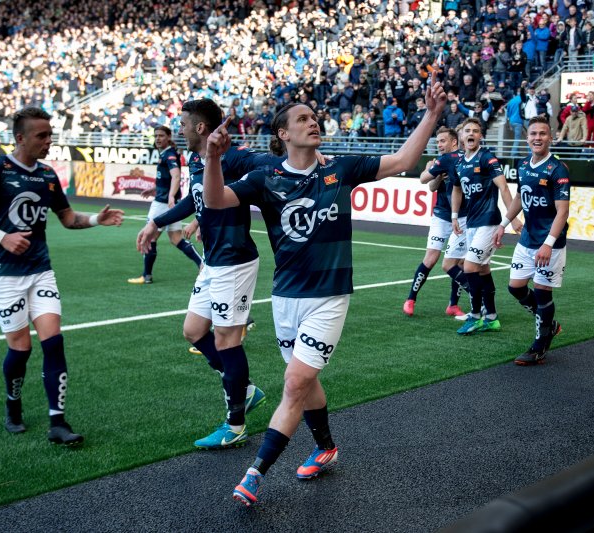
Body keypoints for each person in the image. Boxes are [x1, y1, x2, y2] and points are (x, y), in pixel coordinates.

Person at [202, 74, 448, 507]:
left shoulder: (342, 168)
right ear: (284, 134)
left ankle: (255, 474)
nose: (313, 122)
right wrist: (213, 159)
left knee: (294, 382)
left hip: (330, 295)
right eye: (302, 119)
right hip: (285, 297)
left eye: (315, 117)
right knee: (306, 381)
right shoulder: (265, 178)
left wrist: (430, 115)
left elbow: (404, 159)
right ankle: (327, 446)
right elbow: (217, 199)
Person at [0, 107, 124, 445]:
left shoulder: (47, 175)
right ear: (20, 138)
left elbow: (67, 217)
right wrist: (3, 237)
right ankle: (12, 404)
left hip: (40, 270)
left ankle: (57, 422)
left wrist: (94, 221)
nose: (48, 141)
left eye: (50, 135)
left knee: (54, 341)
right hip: (2, 274)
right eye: (41, 136)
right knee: (21, 348)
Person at [136, 99, 271, 450]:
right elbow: (192, 201)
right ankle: (246, 390)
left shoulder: (233, 155)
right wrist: (156, 222)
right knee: (194, 331)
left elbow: (268, 163)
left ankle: (235, 424)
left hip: (235, 261)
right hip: (213, 261)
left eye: (182, 123)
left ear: (199, 127)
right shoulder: (197, 158)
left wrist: (305, 160)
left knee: (228, 340)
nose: (178, 129)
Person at [494, 115, 569, 365]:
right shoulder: (523, 164)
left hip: (549, 243)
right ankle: (549, 324)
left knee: (541, 292)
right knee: (515, 287)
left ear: (550, 137)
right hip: (526, 239)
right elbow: (519, 197)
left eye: (543, 134)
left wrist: (548, 243)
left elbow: (563, 211)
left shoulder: (558, 169)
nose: (538, 138)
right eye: (534, 134)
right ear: (527, 138)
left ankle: (539, 346)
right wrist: (503, 224)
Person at [450, 117, 521, 335]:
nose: (470, 133)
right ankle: (491, 317)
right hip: (471, 223)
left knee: (469, 267)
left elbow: (504, 187)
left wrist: (512, 218)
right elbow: (456, 189)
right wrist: (454, 216)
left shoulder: (487, 159)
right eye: (467, 130)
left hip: (489, 221)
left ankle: (475, 315)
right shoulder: (459, 163)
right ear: (461, 136)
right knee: (482, 269)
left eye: (475, 131)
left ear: (480, 136)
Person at [402, 126, 469, 320]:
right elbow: (428, 184)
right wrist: (437, 174)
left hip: (463, 216)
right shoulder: (440, 161)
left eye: (442, 141)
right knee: (431, 258)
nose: (439, 145)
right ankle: (411, 299)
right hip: (441, 215)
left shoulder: (464, 158)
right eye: (437, 141)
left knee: (458, 262)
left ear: (454, 142)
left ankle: (453, 305)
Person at [128, 126, 202, 284]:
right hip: (166, 200)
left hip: (162, 203)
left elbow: (176, 176)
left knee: (150, 237)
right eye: (156, 136)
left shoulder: (169, 155)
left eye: (161, 135)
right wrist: (155, 189)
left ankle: (146, 275)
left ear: (169, 136)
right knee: (176, 238)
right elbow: (168, 178)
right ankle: (202, 264)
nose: (158, 138)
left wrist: (170, 197)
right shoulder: (167, 153)